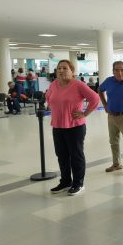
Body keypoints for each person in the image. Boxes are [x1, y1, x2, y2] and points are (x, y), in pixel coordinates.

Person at [46, 59, 99, 196]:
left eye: (65, 68)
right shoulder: (53, 85)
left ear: (72, 71)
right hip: (58, 126)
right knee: (61, 155)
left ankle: (78, 183)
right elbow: (48, 98)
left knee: (76, 155)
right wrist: (54, 108)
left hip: (75, 126)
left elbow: (95, 98)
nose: (61, 71)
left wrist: (85, 113)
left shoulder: (78, 84)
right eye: (59, 68)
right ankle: (65, 181)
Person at [98, 61, 123, 176]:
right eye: (116, 70)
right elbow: (100, 90)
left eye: (122, 70)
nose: (119, 73)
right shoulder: (109, 81)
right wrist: (105, 105)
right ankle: (116, 164)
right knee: (113, 142)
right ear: (113, 71)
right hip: (112, 116)